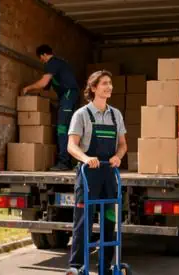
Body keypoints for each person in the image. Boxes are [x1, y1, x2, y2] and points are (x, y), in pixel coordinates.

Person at [64, 70, 128, 275]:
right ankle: (76, 266)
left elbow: (123, 145)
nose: (109, 87)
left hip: (109, 175)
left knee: (110, 220)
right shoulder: (81, 114)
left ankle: (107, 265)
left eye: (110, 83)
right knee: (84, 220)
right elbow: (71, 146)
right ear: (93, 88)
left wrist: (118, 157)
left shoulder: (116, 115)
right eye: (104, 83)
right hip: (88, 175)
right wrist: (85, 158)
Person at [22, 44, 82, 171]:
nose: (42, 61)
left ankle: (65, 162)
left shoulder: (52, 63)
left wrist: (27, 88)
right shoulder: (56, 66)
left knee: (62, 128)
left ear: (44, 55)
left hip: (69, 95)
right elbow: (45, 88)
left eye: (41, 58)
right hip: (68, 97)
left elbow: (43, 82)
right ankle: (71, 160)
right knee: (69, 129)